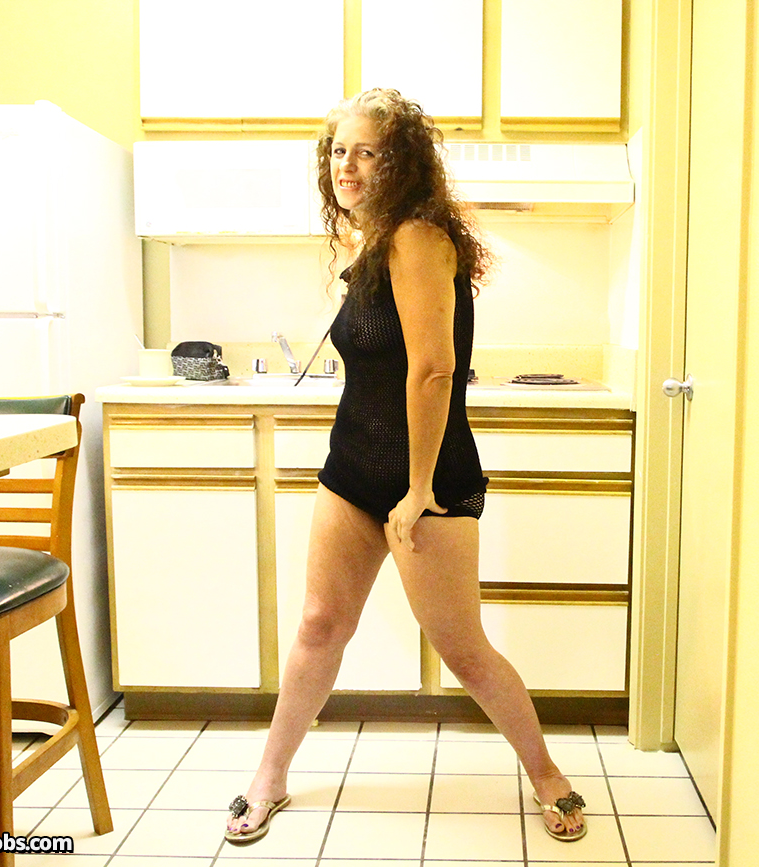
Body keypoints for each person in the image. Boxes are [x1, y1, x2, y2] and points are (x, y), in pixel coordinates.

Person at [224, 88, 587, 845]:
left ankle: (548, 774)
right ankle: (269, 778)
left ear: (401, 163)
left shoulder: (417, 237)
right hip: (353, 468)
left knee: (463, 650)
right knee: (320, 624)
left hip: (430, 479)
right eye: (338, 151)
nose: (347, 166)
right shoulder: (373, 242)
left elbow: (433, 370)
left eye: (367, 152)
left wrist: (419, 489)